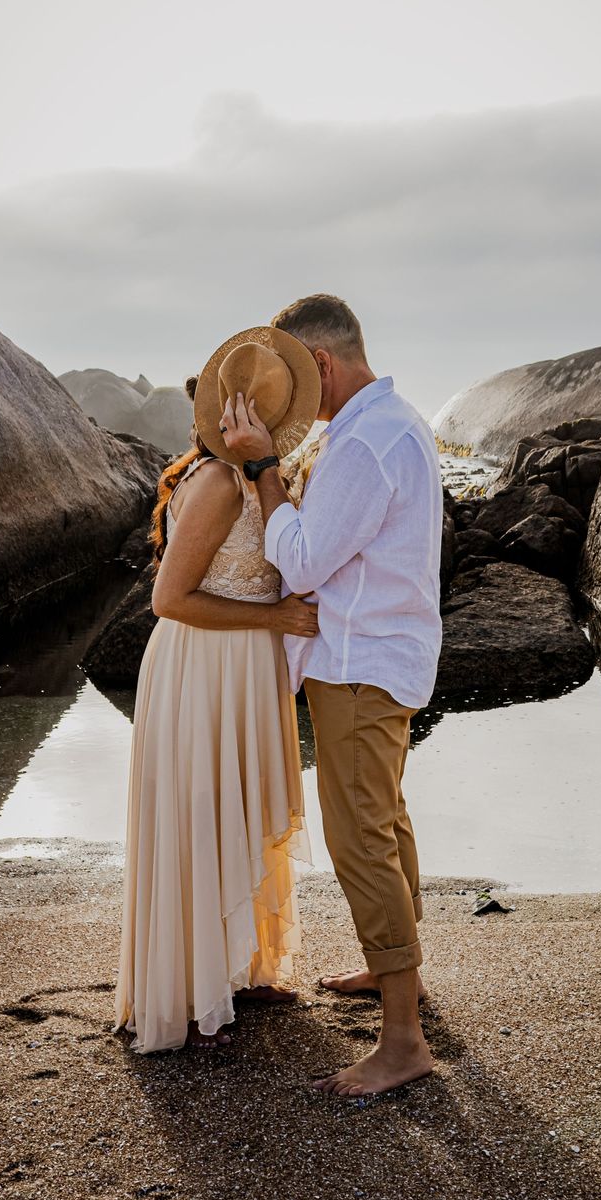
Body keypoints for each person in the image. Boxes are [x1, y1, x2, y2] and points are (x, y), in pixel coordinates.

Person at [220, 294, 443, 1097]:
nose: (286, 398)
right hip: (382, 654)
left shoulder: (366, 442)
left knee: (359, 841)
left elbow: (307, 560)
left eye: (291, 377)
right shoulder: (390, 425)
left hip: (359, 663)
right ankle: (398, 977)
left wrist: (261, 471)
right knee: (385, 819)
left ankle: (403, 1042)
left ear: (319, 363)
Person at [112, 327, 322, 1052]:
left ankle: (239, 966)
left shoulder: (262, 479)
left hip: (247, 667)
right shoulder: (214, 483)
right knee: (202, 815)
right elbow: (168, 600)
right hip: (203, 667)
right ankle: (189, 991)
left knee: (239, 810)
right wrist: (274, 617)